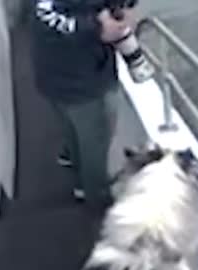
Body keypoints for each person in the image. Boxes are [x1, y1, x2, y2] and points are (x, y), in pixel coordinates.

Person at [30, 0, 153, 209]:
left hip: (54, 78)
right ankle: (98, 199)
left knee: (73, 134)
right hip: (84, 84)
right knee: (95, 143)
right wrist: (101, 27)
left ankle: (79, 181)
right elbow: (49, 15)